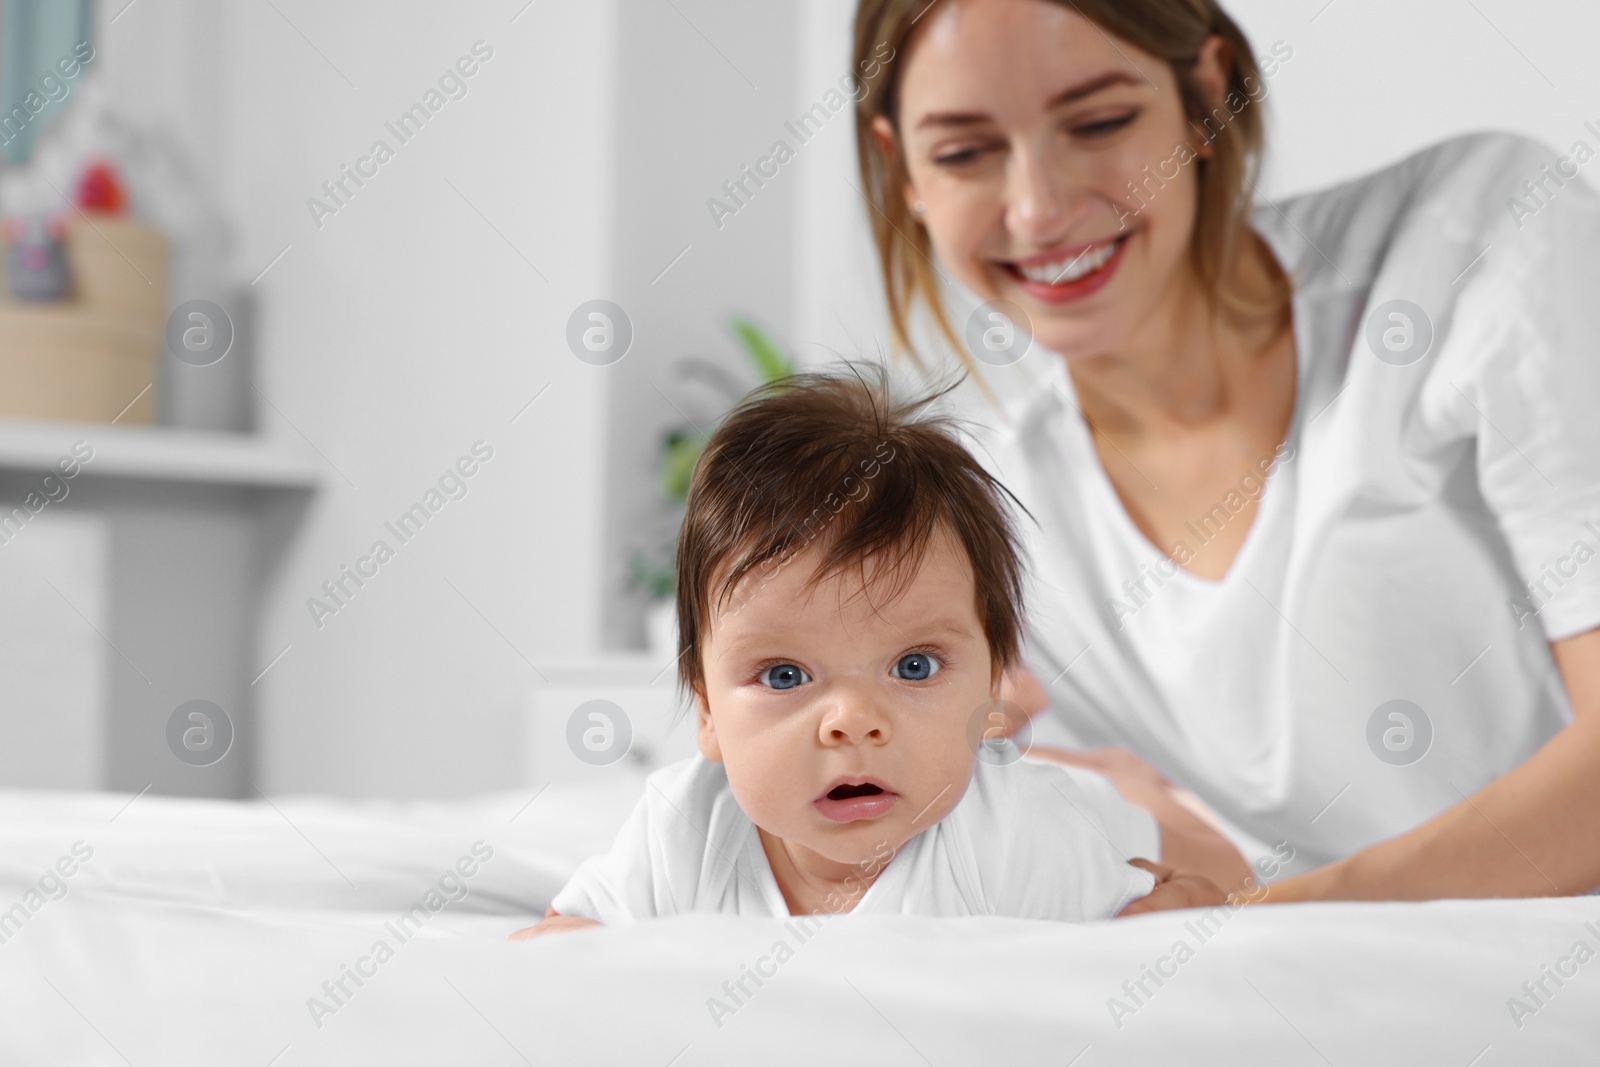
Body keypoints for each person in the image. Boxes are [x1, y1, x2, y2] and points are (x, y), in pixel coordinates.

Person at [850, 0, 1600, 900]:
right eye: (965, 152)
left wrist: (1282, 921)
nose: (1039, 211)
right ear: (905, 174)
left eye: (1098, 122)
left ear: (1205, 97)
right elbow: (1181, 854)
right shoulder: (998, 507)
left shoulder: (1481, 239)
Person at [513, 364, 1249, 939]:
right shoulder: (682, 831)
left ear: (990, 681)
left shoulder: (1025, 843)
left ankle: (1120, 775)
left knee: (1202, 848)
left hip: (1091, 807)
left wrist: (1175, 912)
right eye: (784, 674)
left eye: (914, 665)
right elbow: (572, 941)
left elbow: (1180, 921)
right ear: (706, 711)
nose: (853, 721)